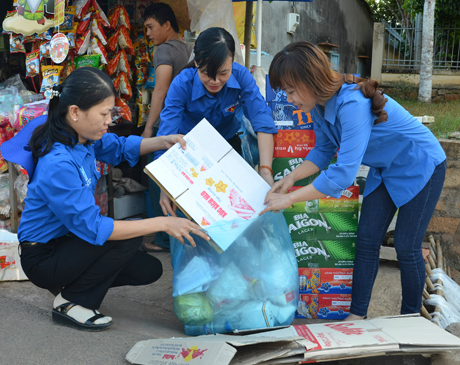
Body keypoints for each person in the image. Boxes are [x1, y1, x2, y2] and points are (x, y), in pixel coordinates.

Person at [1, 67, 209, 332]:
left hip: (68, 242)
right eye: (104, 113)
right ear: (75, 112)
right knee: (129, 235)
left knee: (148, 270)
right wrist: (162, 224)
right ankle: (72, 301)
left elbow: (119, 146)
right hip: (43, 256)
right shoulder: (58, 162)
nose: (109, 120)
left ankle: (74, 285)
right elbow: (95, 227)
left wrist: (162, 142)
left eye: (111, 112)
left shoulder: (82, 138)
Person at [261, 41, 446, 320]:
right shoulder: (319, 105)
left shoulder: (352, 104)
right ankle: (357, 315)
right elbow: (323, 151)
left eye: (290, 90)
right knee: (367, 240)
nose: (289, 99)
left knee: (407, 246)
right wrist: (291, 179)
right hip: (385, 168)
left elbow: (344, 173)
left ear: (309, 80)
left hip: (421, 163)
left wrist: (288, 200)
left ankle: (411, 320)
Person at [155, 27, 277, 218]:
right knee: (195, 213)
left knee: (234, 211)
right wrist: (167, 184)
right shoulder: (182, 84)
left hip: (227, 146)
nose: (214, 81)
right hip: (189, 150)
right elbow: (165, 136)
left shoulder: (242, 76)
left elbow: (263, 121)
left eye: (223, 73)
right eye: (206, 73)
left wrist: (266, 171)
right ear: (196, 63)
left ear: (232, 63)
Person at [141, 2, 193, 252]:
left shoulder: (164, 51)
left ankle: (161, 238)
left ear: (167, 25)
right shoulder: (184, 47)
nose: (148, 34)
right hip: (185, 125)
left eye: (151, 27)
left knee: (157, 177)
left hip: (167, 125)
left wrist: (149, 128)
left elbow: (160, 90)